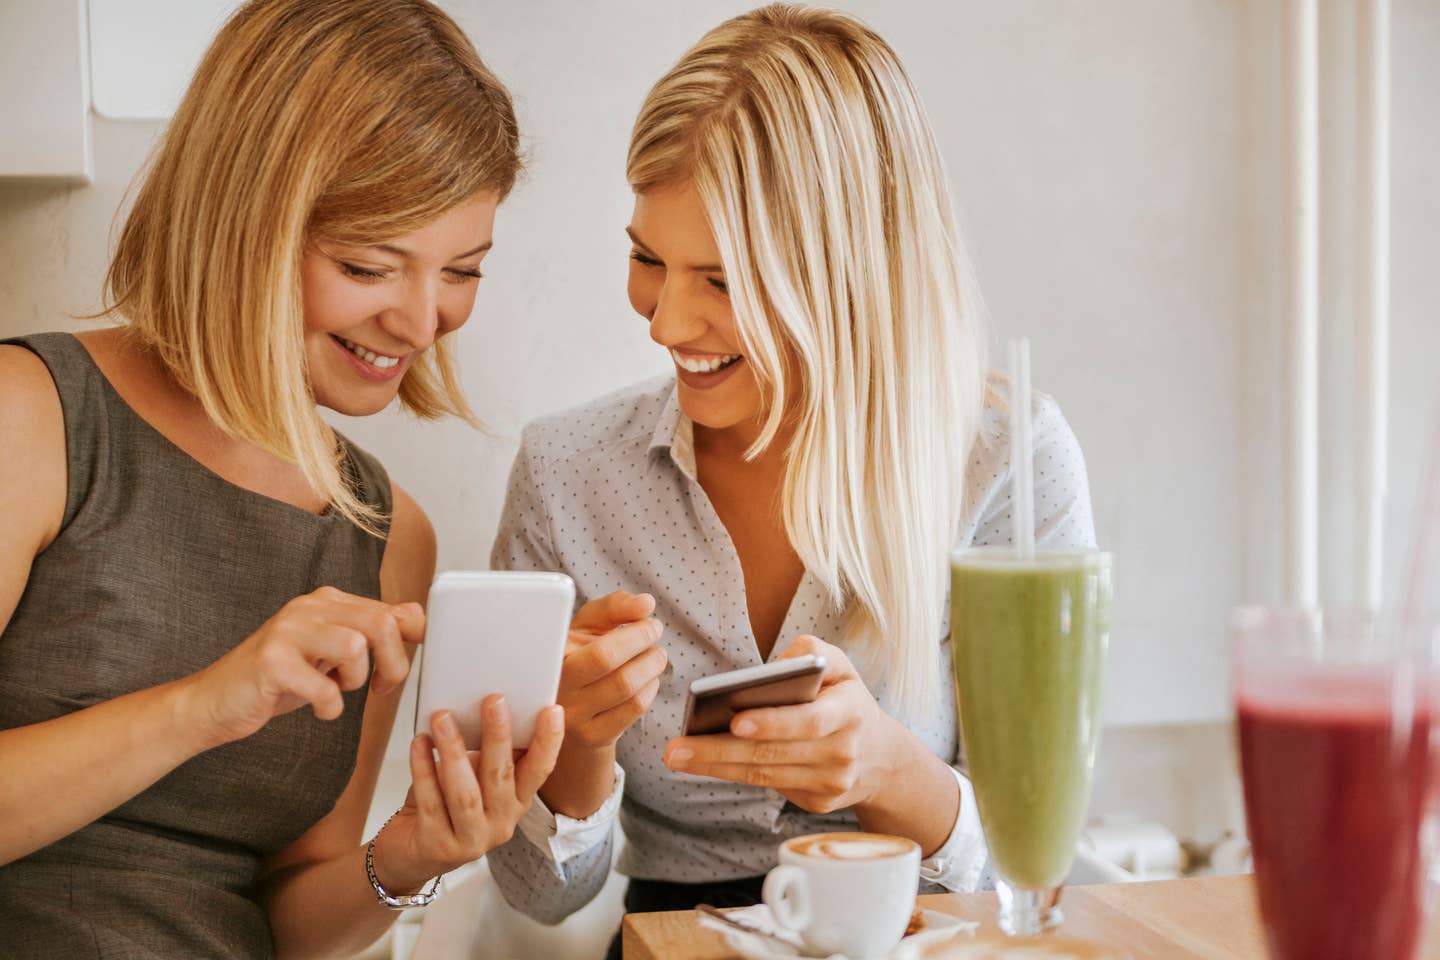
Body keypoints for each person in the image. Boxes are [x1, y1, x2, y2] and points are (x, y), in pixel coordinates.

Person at [484, 5, 1096, 956]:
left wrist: (891, 770)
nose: (665, 322)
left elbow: (1040, 865)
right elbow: (540, 895)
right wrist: (582, 746)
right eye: (648, 260)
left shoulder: (1007, 460)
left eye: (724, 281)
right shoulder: (568, 473)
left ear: (848, 273)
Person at [0, 1, 563, 956]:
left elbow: (290, 921)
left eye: (462, 270)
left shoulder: (389, 537)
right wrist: (201, 706)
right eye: (369, 265)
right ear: (242, 225)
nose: (423, 323)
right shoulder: (34, 416)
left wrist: (411, 854)